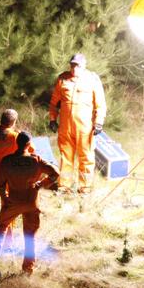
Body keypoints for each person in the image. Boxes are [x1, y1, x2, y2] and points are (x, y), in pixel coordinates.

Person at [0, 131, 59, 274]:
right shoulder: (36, 161)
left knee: (1, 225)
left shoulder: (6, 161)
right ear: (29, 145)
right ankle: (28, 268)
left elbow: (0, 185)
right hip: (31, 202)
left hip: (13, 201)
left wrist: (5, 198)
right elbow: (55, 174)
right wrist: (41, 184)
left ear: (16, 143)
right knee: (30, 236)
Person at [49, 53, 107, 194]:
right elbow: (54, 102)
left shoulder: (92, 80)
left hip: (84, 127)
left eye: (78, 66)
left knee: (86, 157)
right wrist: (52, 119)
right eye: (73, 65)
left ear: (84, 66)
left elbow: (100, 104)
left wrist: (99, 122)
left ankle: (84, 188)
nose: (74, 68)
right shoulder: (63, 79)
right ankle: (64, 187)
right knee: (66, 157)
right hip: (65, 126)